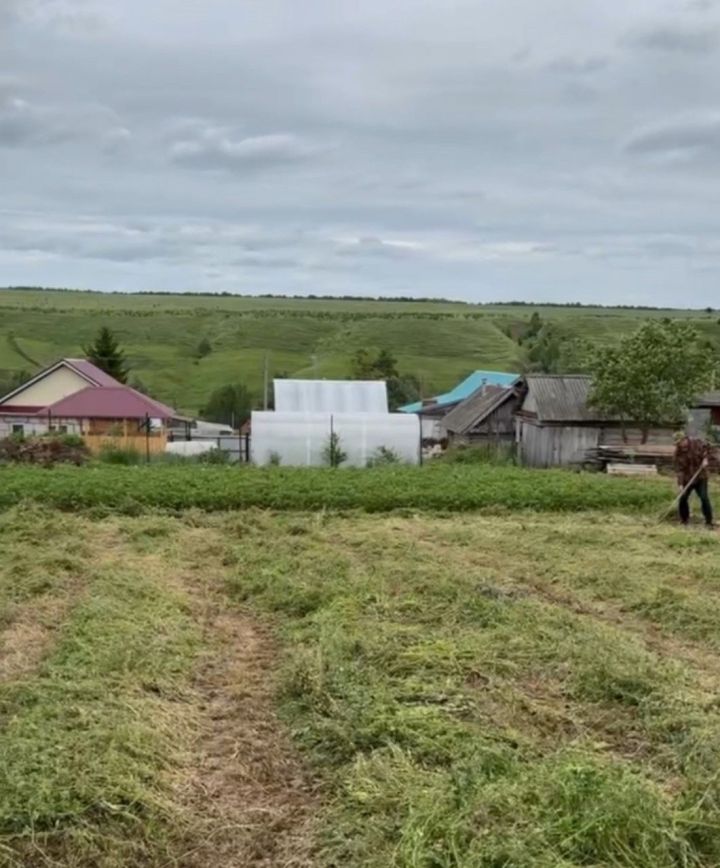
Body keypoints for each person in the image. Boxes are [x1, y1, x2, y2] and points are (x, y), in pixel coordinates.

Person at [674, 431, 715, 528]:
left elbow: (710, 449)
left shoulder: (698, 443)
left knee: (704, 497)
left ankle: (708, 522)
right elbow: (680, 470)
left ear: (685, 439)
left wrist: (706, 459)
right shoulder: (678, 454)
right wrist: (680, 484)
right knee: (683, 498)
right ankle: (684, 520)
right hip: (687, 479)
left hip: (701, 477)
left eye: (681, 441)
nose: (680, 444)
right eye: (678, 443)